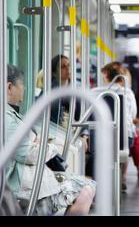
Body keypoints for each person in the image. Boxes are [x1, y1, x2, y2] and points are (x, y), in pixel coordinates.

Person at [5, 64, 96, 216]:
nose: (24, 89)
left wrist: (40, 144)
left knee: (87, 187)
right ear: (9, 87)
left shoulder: (10, 114)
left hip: (33, 180)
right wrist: (51, 147)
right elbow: (28, 153)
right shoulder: (6, 118)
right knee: (86, 191)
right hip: (25, 188)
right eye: (22, 85)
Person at [100, 62, 139, 191]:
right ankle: (122, 178)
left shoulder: (98, 91)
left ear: (107, 75)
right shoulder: (128, 93)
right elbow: (133, 114)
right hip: (125, 138)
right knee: (125, 146)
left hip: (103, 138)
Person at [122, 67, 139, 180]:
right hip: (126, 128)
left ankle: (124, 177)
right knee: (134, 138)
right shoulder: (128, 93)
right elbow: (133, 115)